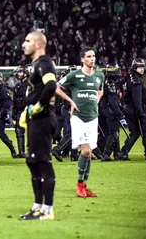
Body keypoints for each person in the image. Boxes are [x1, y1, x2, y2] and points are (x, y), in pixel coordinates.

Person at [18, 31, 58, 220]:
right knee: (32, 161)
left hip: (42, 119)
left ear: (39, 45)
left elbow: (51, 86)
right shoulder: (36, 64)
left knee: (43, 162)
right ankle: (38, 206)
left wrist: (37, 107)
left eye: (27, 41)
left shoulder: (44, 63)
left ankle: (48, 210)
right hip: (36, 120)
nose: (23, 44)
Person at [56, 47, 104, 198]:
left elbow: (100, 89)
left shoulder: (99, 75)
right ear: (82, 59)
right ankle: (79, 185)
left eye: (93, 56)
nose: (92, 59)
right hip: (78, 118)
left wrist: (97, 99)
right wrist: (70, 101)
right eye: (89, 57)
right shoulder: (74, 75)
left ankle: (85, 185)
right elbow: (56, 87)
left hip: (93, 117)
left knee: (89, 154)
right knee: (86, 151)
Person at [118, 59, 146, 160]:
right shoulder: (136, 81)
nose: (142, 69)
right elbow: (138, 99)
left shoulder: (128, 78)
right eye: (140, 68)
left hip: (127, 109)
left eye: (143, 67)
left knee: (134, 132)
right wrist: (141, 112)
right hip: (135, 109)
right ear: (135, 68)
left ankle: (123, 153)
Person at [97, 64, 126, 161]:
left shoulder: (103, 81)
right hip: (110, 111)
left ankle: (116, 153)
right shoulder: (111, 83)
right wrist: (119, 113)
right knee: (114, 133)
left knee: (108, 132)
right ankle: (106, 154)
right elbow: (113, 101)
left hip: (102, 110)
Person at [12, 66, 29, 158]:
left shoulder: (31, 85)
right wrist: (14, 115)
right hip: (19, 111)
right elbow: (14, 101)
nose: (18, 74)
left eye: (20, 72)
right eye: (18, 72)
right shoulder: (17, 86)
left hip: (30, 110)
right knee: (19, 131)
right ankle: (21, 152)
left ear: (25, 73)